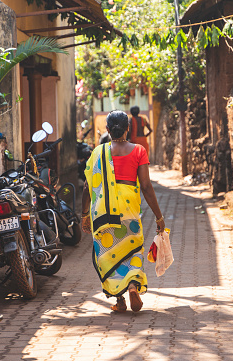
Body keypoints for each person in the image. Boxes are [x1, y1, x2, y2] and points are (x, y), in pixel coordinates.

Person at [81, 110, 165, 313]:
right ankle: (133, 286)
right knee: (132, 250)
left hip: (103, 212)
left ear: (107, 130)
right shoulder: (138, 151)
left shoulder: (98, 153)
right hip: (129, 210)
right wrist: (159, 216)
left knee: (108, 254)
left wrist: (84, 214)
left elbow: (86, 187)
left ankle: (119, 300)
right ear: (128, 128)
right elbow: (146, 186)